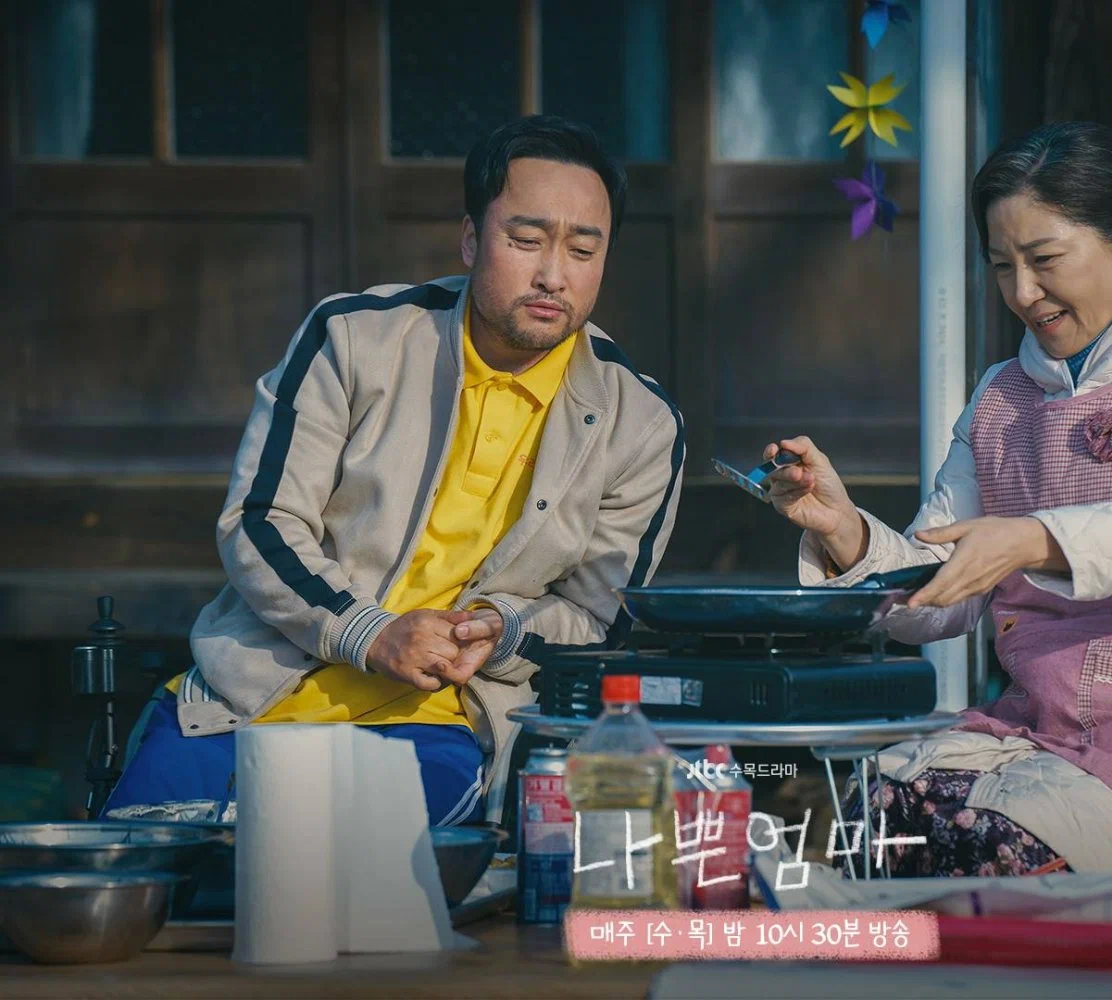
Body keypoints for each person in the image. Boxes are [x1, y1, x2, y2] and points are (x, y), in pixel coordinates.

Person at [765, 122, 1112, 917]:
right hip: (1039, 741)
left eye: (1044, 259)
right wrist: (843, 531)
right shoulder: (1005, 396)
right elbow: (942, 591)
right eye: (1002, 265)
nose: (1022, 292)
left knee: (982, 850)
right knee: (866, 822)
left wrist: (1032, 538)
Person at [105, 116, 684, 827]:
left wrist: (500, 631)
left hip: (444, 723)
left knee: (349, 868)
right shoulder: (354, 338)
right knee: (142, 858)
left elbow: (599, 619)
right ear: (470, 239)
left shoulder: (640, 423)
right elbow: (260, 521)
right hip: (250, 694)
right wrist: (370, 633)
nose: (553, 274)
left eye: (583, 250)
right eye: (525, 240)